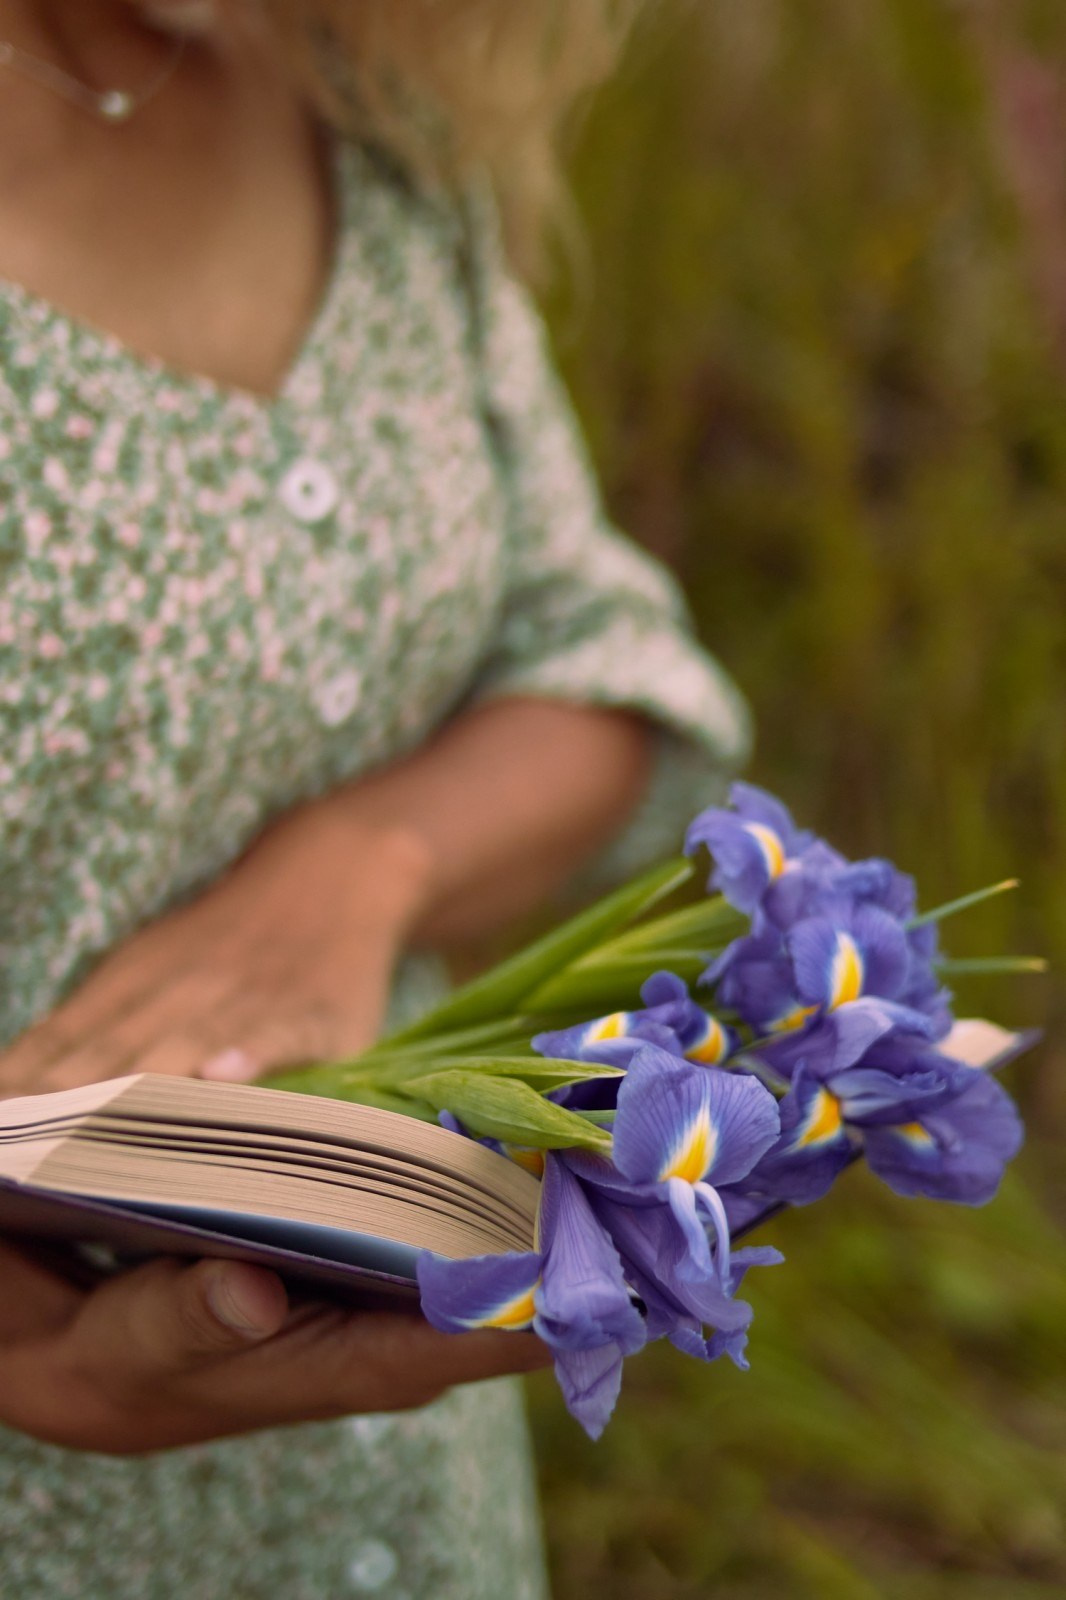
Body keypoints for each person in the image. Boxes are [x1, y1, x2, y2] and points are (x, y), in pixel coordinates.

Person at [0, 1, 750, 1594]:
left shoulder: (357, 96)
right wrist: (40, 1360)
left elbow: (595, 662)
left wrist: (360, 862)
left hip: (406, 1521)